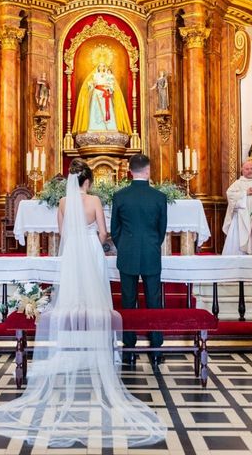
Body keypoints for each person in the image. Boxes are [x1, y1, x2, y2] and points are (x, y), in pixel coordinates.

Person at [0, 158, 166, 448]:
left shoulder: (65, 203)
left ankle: (70, 342)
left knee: (74, 294)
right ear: (89, 181)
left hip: (73, 252)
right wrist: (99, 239)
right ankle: (112, 346)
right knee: (100, 297)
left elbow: (62, 233)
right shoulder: (94, 200)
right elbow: (105, 233)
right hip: (93, 249)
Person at [111, 154, 167, 365]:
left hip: (127, 252)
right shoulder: (159, 197)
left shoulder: (120, 196)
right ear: (148, 170)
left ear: (130, 171)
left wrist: (124, 244)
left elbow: (114, 229)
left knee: (128, 301)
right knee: (154, 300)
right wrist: (153, 243)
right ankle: (156, 349)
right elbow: (162, 229)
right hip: (152, 251)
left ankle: (129, 349)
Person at [71, 62, 131, 135]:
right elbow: (89, 85)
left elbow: (112, 85)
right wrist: (92, 84)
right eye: (100, 66)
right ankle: (94, 128)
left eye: (103, 66)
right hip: (96, 94)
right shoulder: (94, 75)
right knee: (96, 109)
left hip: (105, 94)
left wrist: (109, 88)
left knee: (107, 109)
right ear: (98, 67)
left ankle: (109, 128)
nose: (102, 67)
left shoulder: (108, 75)